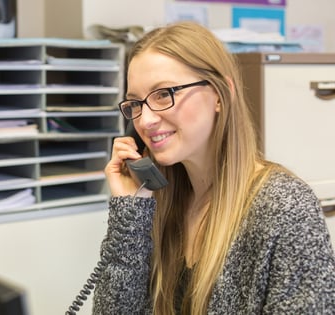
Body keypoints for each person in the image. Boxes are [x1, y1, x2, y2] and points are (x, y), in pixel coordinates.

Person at [93, 21, 335, 314]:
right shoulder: (159, 201)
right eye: (136, 103)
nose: (144, 121)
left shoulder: (284, 206)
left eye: (164, 94)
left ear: (220, 94)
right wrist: (129, 213)